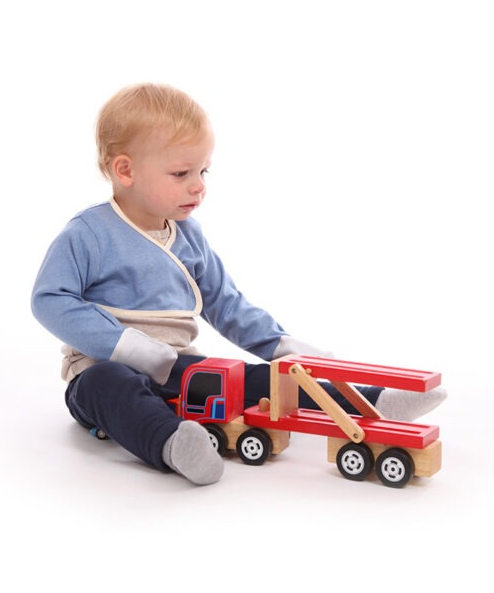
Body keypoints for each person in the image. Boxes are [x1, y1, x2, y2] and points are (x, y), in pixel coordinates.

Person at [31, 83, 446, 486]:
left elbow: (225, 304)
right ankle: (172, 444)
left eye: (203, 170)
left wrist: (281, 346)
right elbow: (49, 300)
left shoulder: (188, 235)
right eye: (180, 173)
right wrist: (127, 347)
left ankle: (369, 405)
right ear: (126, 170)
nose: (198, 185)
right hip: (99, 370)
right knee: (113, 386)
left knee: (258, 380)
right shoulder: (88, 234)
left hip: (178, 368)